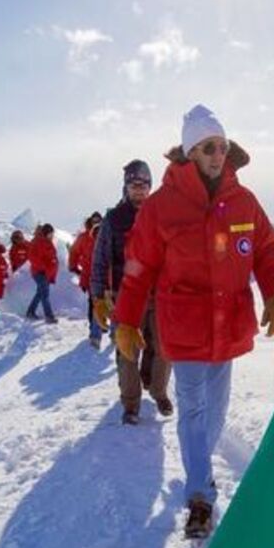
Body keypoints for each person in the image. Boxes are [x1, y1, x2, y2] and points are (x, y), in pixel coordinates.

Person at [114, 105, 274, 538]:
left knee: (215, 413)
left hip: (229, 326)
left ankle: (199, 468)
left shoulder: (244, 201)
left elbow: (265, 249)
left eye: (223, 147)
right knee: (193, 410)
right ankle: (199, 495)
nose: (218, 155)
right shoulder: (161, 207)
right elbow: (139, 267)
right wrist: (127, 321)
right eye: (209, 147)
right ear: (190, 153)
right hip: (186, 327)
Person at [91, 160, 173, 424]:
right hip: (124, 297)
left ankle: (158, 390)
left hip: (159, 295)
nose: (139, 190)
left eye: (144, 185)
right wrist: (98, 296)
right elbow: (100, 259)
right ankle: (131, 404)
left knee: (163, 347)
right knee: (127, 351)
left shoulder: (161, 215)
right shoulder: (114, 219)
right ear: (126, 187)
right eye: (134, 185)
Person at [68, 212, 104, 348]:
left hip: (106, 275)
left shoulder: (106, 234)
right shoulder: (83, 237)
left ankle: (100, 325)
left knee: (106, 302)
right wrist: (73, 266)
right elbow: (74, 252)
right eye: (94, 220)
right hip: (89, 275)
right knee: (93, 302)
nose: (96, 222)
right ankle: (94, 329)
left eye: (98, 220)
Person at [25, 223, 59, 323]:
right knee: (45, 294)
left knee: (40, 293)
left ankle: (30, 312)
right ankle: (49, 316)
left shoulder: (48, 243)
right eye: (50, 233)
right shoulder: (38, 242)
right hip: (40, 272)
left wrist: (51, 273)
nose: (52, 235)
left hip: (46, 273)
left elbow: (52, 259)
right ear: (46, 233)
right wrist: (44, 268)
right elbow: (33, 257)